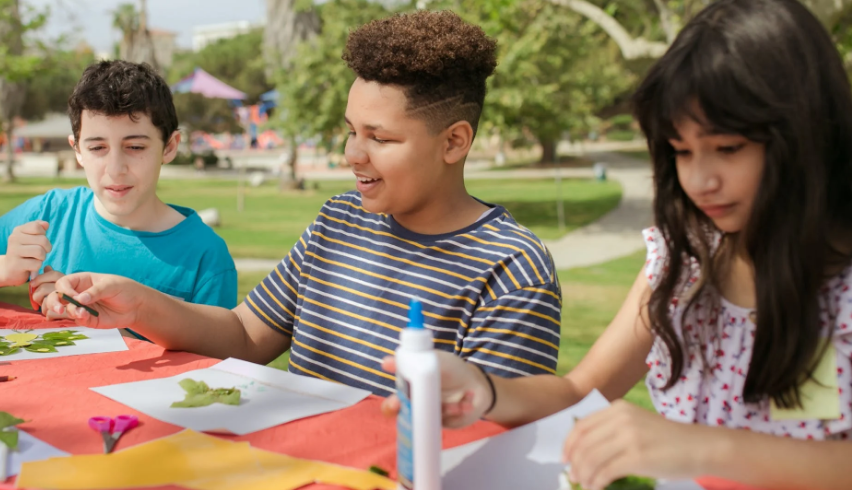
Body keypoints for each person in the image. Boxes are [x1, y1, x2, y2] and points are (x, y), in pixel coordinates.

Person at [381, 1, 852, 489]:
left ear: (805, 134)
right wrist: (483, 390)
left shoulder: (842, 290)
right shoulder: (685, 259)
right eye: (681, 152)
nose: (700, 180)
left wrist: (697, 446)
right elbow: (580, 391)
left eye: (728, 148)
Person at [49, 11, 562, 396]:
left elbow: (492, 432)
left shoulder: (512, 268)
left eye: (379, 138)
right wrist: (139, 303)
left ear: (454, 142)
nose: (351, 154)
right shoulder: (339, 221)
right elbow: (247, 335)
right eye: (350, 131)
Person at [0, 60, 237, 331]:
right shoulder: (49, 213)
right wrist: (5, 268)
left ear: (169, 147)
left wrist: (89, 316)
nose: (115, 169)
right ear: (77, 149)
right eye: (98, 147)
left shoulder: (205, 257)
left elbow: (214, 364)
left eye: (135, 146)